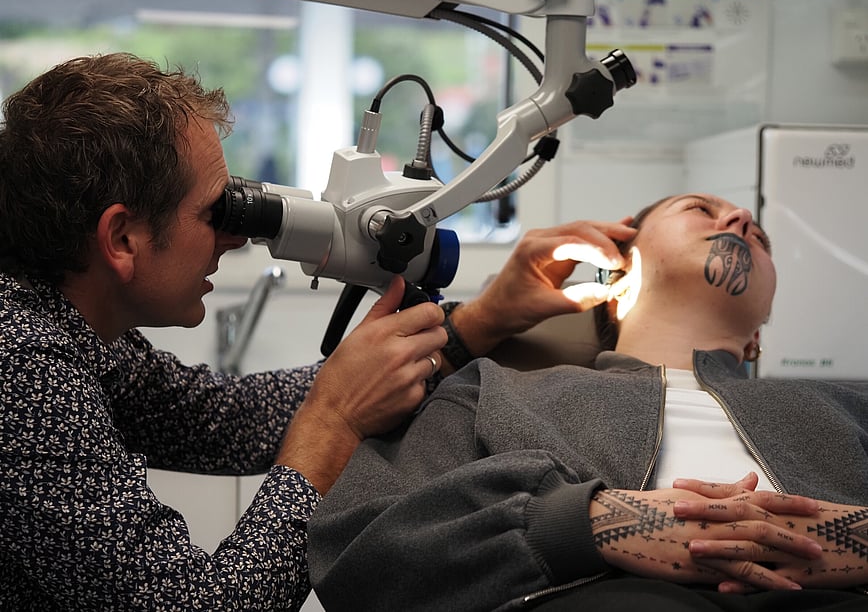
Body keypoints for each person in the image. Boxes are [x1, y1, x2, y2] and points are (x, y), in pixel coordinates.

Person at [0, 52, 637, 611]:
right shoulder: (24, 370)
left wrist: (481, 320)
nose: (236, 236)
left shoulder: (66, 327)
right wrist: (332, 421)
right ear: (121, 239)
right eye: (214, 211)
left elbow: (223, 420)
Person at [307, 192, 868, 612]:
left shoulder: (846, 405)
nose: (741, 219)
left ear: (757, 339)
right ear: (621, 272)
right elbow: (361, 550)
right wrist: (584, 524)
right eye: (700, 209)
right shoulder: (492, 393)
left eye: (761, 239)